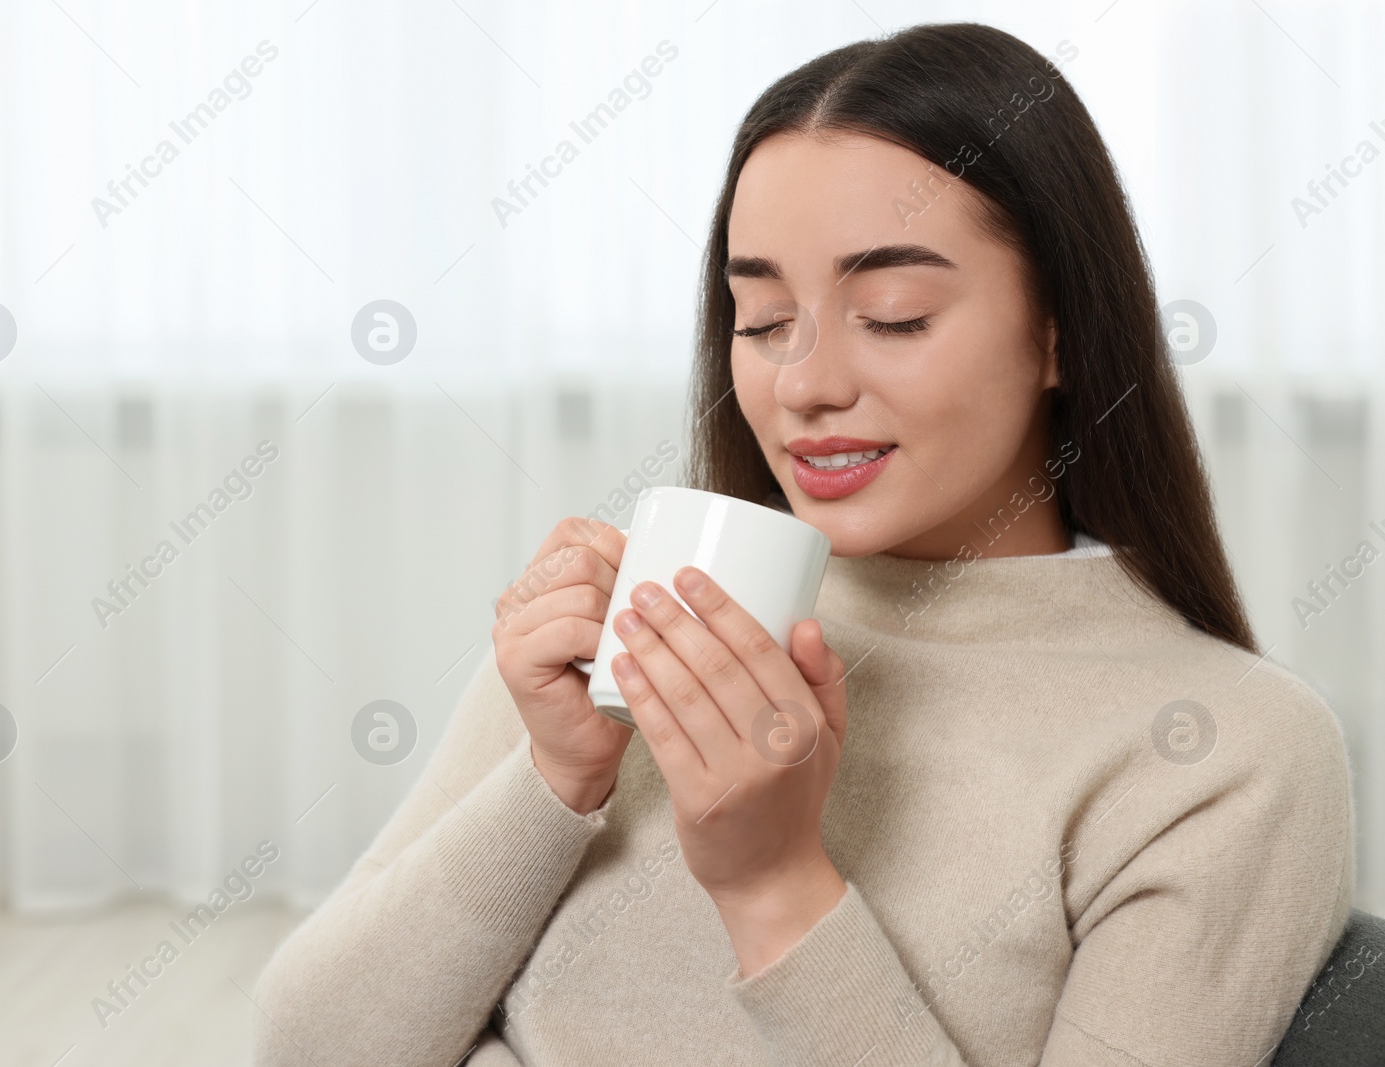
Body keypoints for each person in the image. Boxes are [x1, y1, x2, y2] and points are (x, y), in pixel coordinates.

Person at [252, 22, 1354, 1065]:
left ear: (1060, 331)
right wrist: (554, 776)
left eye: (892, 313)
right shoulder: (644, 618)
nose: (806, 384)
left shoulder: (1224, 752)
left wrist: (775, 886)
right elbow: (310, 1047)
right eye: (764, 322)